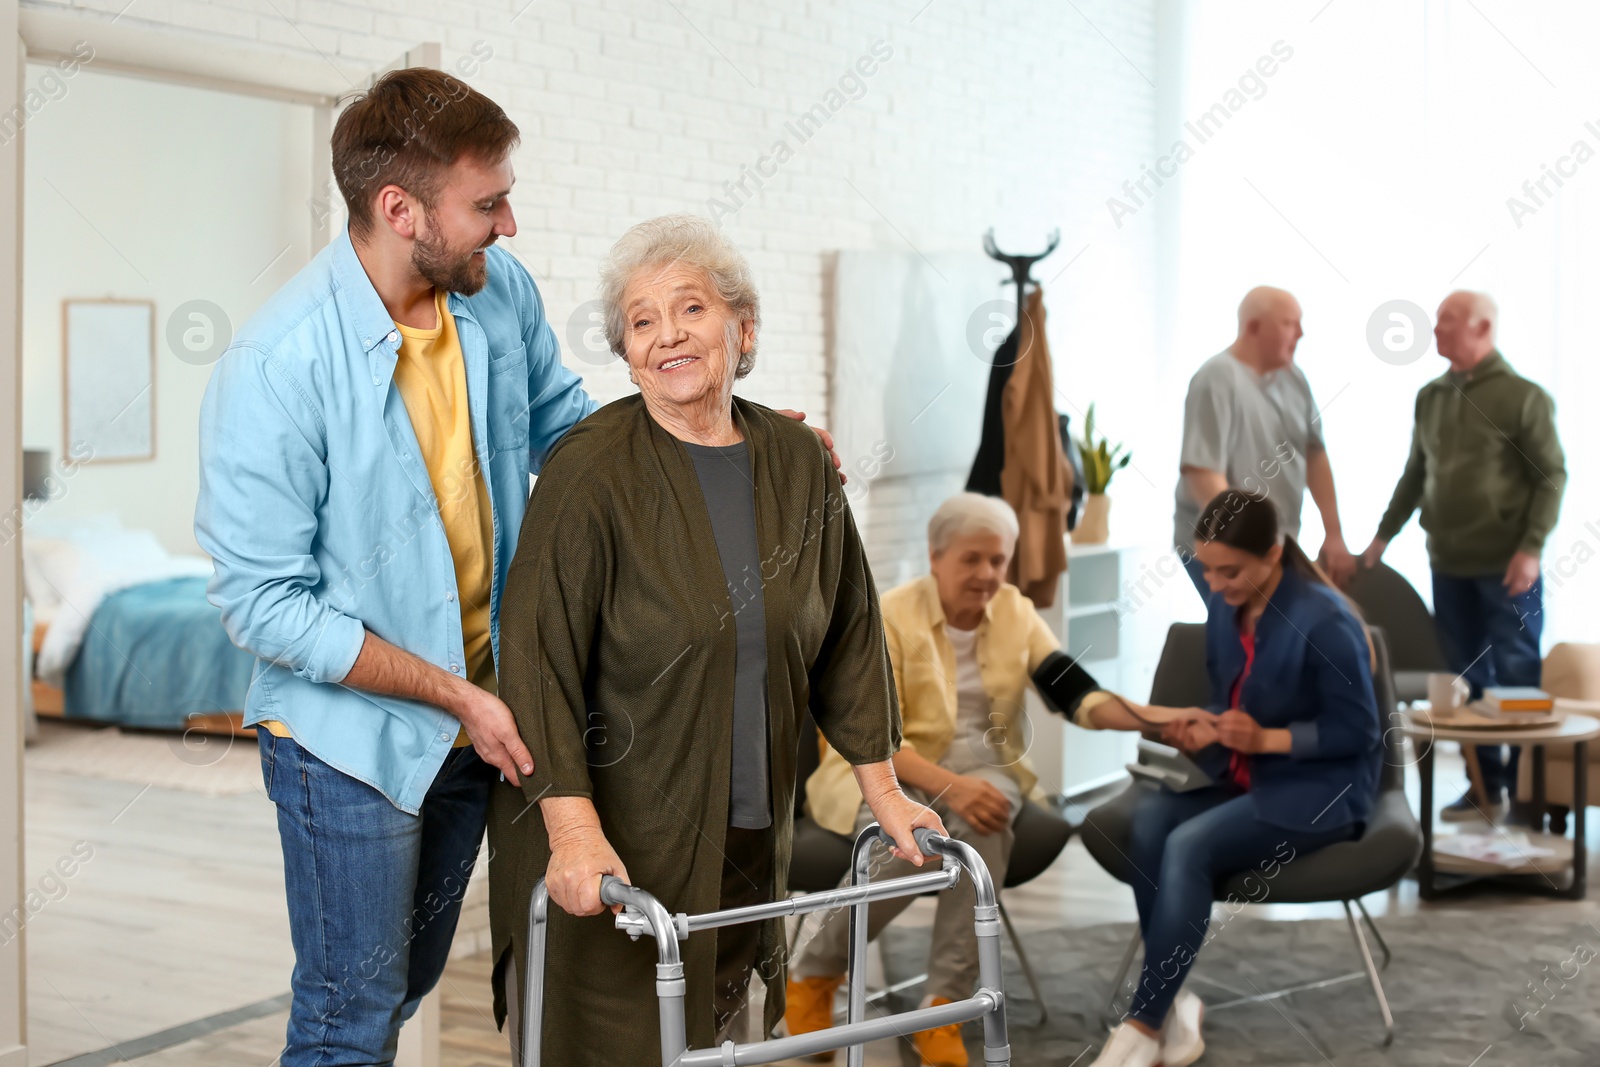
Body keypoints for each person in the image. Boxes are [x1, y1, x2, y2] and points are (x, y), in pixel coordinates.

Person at [196, 73, 839, 1066]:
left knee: (403, 983)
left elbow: (577, 442)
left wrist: (732, 443)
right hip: (352, 740)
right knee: (349, 1012)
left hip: (483, 717)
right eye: (486, 203)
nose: (509, 221)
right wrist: (455, 694)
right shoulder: (277, 366)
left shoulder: (496, 300)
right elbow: (262, 604)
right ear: (398, 210)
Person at [486, 214, 944, 1064]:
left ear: (744, 326)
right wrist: (575, 834)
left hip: (744, 828)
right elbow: (537, 657)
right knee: (617, 1041)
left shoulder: (800, 462)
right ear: (625, 351)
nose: (667, 336)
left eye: (689, 309)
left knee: (722, 1039)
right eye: (641, 320)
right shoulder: (590, 471)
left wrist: (884, 793)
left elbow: (847, 633)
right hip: (610, 837)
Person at [1084, 490, 1382, 1067]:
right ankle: (1172, 1003)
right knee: (1148, 826)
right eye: (1207, 570)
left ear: (1273, 554)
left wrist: (1265, 740)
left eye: (1230, 570)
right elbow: (1235, 700)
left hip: (1322, 790)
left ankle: (1143, 1025)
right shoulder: (1227, 605)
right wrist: (1209, 730)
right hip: (1241, 773)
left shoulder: (1327, 621)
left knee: (1190, 846)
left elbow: (1362, 733)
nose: (1215, 585)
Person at [786, 492, 1068, 1067]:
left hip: (986, 772)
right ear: (936, 557)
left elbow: (1072, 687)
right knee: (907, 837)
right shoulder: (888, 613)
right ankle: (813, 977)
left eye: (999, 560)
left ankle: (947, 1005)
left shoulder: (1016, 610)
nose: (988, 574)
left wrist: (1150, 718)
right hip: (882, 771)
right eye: (973, 559)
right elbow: (872, 734)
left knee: (984, 818)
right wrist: (952, 788)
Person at [1362, 291, 1566, 822]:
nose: (1435, 330)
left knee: (1518, 675)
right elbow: (1414, 476)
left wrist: (1531, 549)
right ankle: (1485, 785)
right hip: (1446, 563)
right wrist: (1382, 538)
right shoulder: (1430, 396)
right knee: (1467, 679)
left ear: (1481, 328)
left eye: (1446, 322)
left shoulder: (1524, 397)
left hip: (1507, 567)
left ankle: (1528, 791)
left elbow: (1551, 476)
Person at [1174, 286, 1355, 597]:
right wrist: (1244, 546)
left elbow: (1314, 454)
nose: (1300, 333)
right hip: (1225, 550)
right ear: (1253, 327)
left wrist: (1334, 533)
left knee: (1273, 635)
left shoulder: (1294, 378)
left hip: (1272, 547)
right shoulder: (1216, 378)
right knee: (1244, 637)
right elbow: (1203, 475)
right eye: (1289, 323)